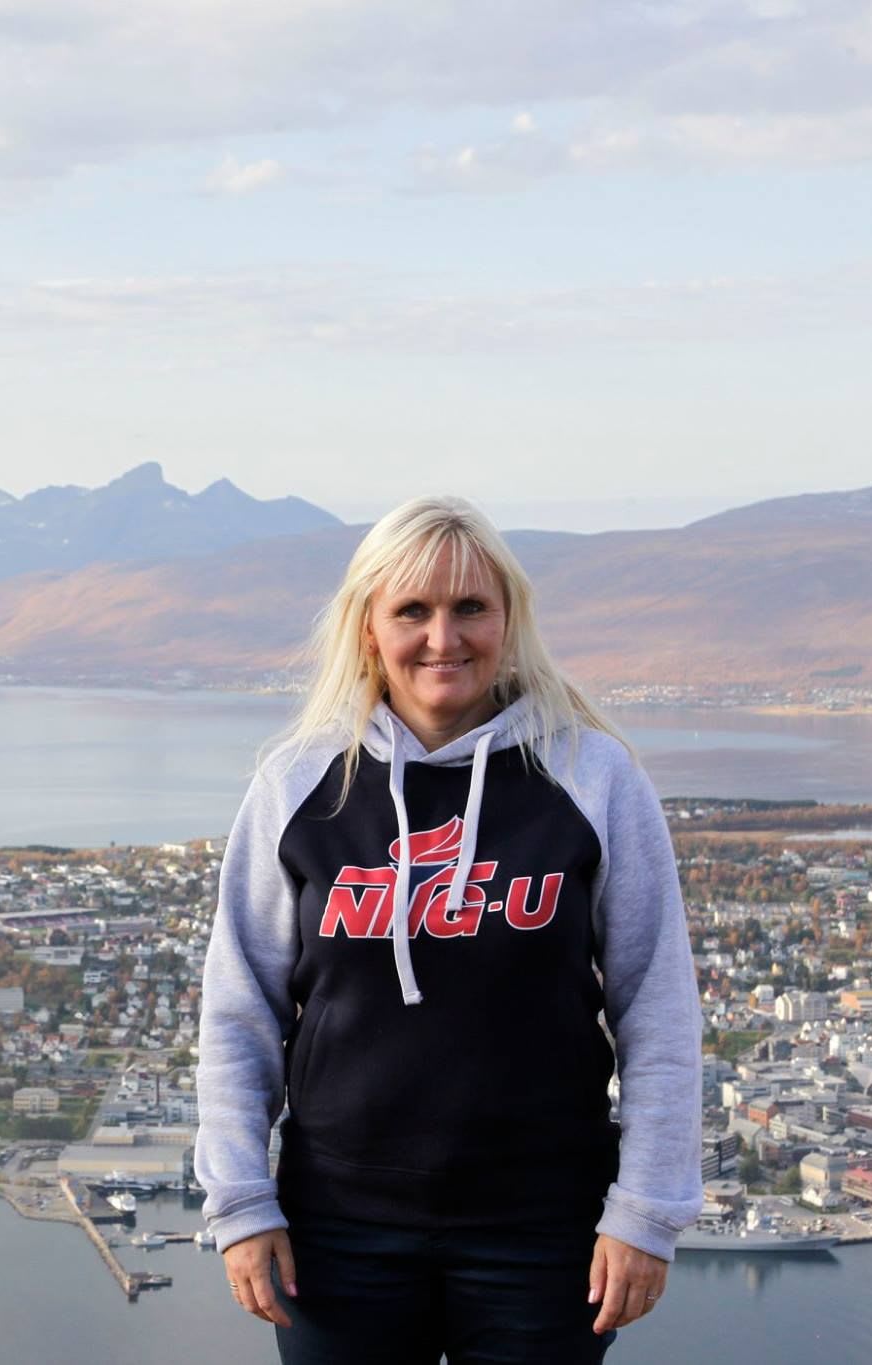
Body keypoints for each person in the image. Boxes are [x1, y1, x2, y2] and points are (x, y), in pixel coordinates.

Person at [194, 495, 702, 1363]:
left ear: (509, 619)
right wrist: (241, 1200)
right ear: (367, 627)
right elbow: (240, 1011)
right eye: (412, 611)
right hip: (338, 1227)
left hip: (544, 1228)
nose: (443, 637)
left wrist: (646, 1210)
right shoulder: (300, 783)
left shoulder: (591, 775)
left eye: (470, 607)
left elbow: (656, 1007)